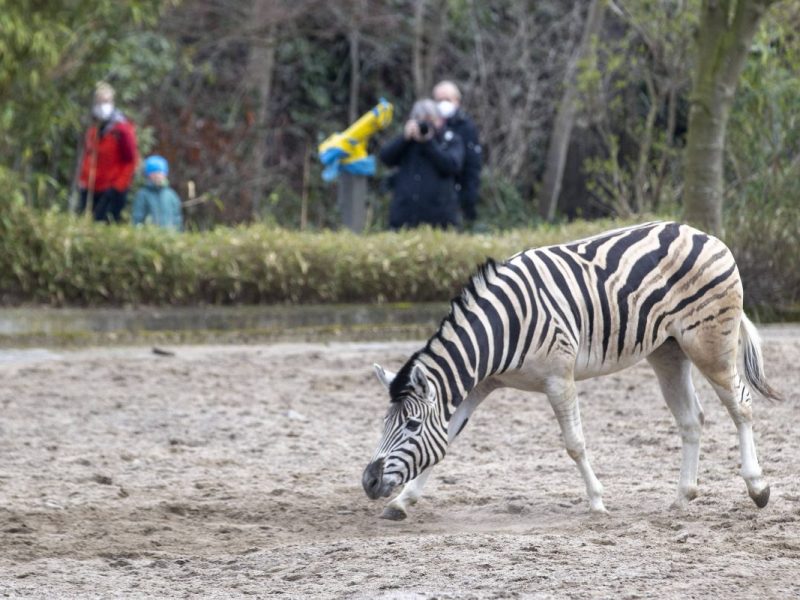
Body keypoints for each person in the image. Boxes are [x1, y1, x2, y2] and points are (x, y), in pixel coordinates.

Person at [379, 99, 464, 230]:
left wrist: (429, 143)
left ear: (439, 120)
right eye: (420, 120)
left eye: (430, 120)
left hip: (440, 219)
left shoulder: (449, 140)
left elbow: (452, 165)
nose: (425, 125)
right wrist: (404, 138)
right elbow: (385, 158)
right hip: (404, 217)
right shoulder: (407, 142)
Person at [77, 82, 138, 223]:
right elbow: (89, 156)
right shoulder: (93, 128)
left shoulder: (122, 129)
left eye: (106, 101)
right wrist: (84, 180)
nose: (103, 105)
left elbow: (131, 160)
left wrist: (118, 186)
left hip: (112, 189)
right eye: (99, 101)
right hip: (92, 188)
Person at [433, 80, 482, 225]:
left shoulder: (466, 126)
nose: (443, 104)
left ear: (457, 101)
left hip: (457, 191)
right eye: (439, 100)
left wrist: (469, 197)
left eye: (447, 100)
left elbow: (472, 165)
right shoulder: (429, 126)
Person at [132, 155, 183, 231]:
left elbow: (177, 219)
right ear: (148, 175)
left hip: (170, 238)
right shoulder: (142, 195)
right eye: (154, 172)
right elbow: (137, 218)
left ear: (165, 174)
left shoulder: (171, 195)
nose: (158, 175)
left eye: (160, 172)